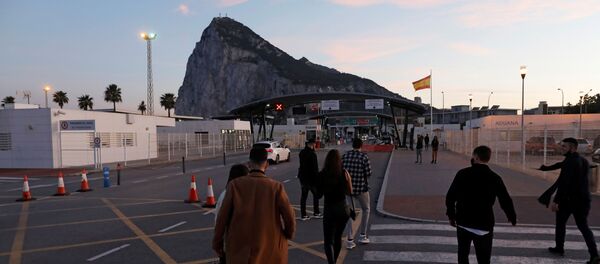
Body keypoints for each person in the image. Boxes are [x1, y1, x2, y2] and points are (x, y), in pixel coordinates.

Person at [212, 148, 296, 263]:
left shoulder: (234, 186)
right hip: (270, 250)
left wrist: (217, 244)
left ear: (249, 164)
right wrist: (287, 234)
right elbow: (289, 217)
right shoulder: (276, 187)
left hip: (240, 252)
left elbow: (222, 218)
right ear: (266, 164)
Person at [446, 145, 517, 264]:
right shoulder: (495, 178)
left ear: (476, 157)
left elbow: (450, 197)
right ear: (488, 158)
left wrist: (451, 216)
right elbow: (505, 199)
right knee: (484, 259)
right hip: (484, 224)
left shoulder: (462, 174)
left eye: (473, 156)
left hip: (464, 222)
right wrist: (511, 216)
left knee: (463, 256)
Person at [538, 137, 599, 264]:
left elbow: (564, 184)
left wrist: (556, 201)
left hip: (568, 200)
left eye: (564, 146)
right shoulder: (582, 160)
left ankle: (559, 248)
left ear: (572, 148)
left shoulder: (570, 162)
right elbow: (560, 164)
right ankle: (594, 255)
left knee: (560, 223)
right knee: (583, 226)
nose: (561, 148)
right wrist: (545, 168)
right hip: (583, 200)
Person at [316, 149, 353, 264]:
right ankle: (335, 261)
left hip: (329, 209)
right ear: (339, 160)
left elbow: (318, 195)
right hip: (342, 210)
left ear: (327, 160)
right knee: (338, 238)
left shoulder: (322, 174)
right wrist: (349, 181)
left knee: (328, 241)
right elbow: (349, 192)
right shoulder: (343, 173)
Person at [213, 164, 249, 264]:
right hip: (235, 247)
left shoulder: (227, 194)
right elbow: (220, 222)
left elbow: (218, 222)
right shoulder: (228, 195)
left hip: (232, 247)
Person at [343, 138, 372, 249]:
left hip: (348, 190)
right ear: (361, 145)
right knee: (366, 209)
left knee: (350, 213)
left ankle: (350, 240)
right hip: (361, 189)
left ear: (352, 145)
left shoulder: (345, 156)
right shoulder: (363, 157)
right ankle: (362, 235)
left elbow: (341, 171)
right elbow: (369, 173)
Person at [298, 138, 322, 220]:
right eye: (314, 144)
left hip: (303, 178)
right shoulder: (312, 154)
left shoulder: (301, 153)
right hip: (311, 179)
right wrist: (317, 179)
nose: (315, 145)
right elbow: (315, 168)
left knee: (304, 196)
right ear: (311, 144)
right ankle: (316, 212)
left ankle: (303, 215)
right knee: (316, 195)